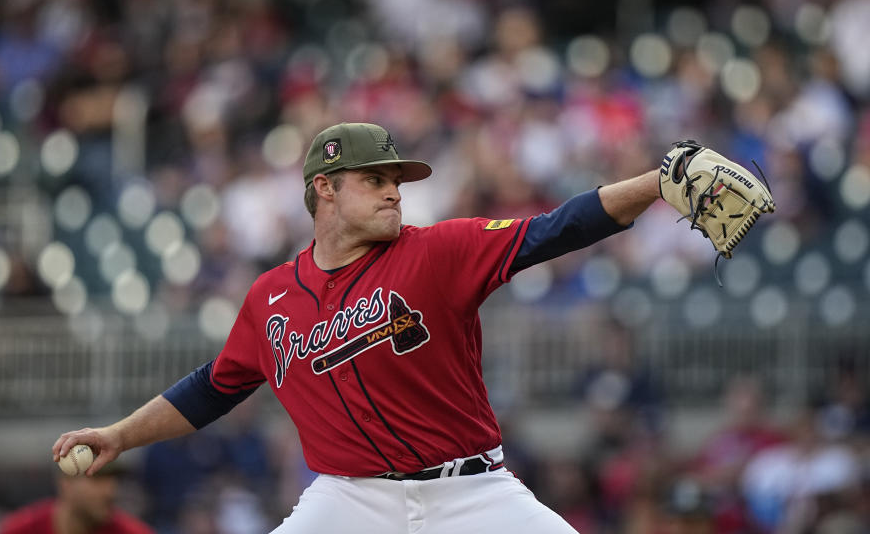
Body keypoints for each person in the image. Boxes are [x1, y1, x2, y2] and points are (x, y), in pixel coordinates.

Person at [52, 122, 677, 532]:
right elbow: (215, 387)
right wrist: (119, 435)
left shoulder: (436, 252)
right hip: (350, 501)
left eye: (396, 182)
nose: (393, 193)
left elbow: (555, 229)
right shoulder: (271, 297)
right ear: (323, 188)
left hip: (473, 493)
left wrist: (658, 181)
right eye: (374, 179)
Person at [0, 465, 152, 534]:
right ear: (66, 483)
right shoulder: (20, 530)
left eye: (113, 480)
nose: (109, 491)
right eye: (97, 479)